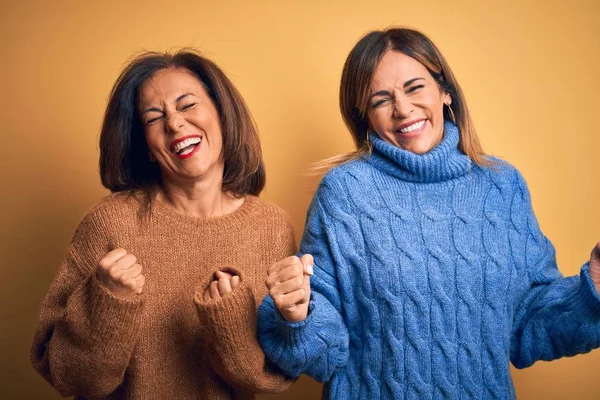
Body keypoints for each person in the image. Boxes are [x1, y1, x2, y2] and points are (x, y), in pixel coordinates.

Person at [257, 27, 600, 399]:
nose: (403, 109)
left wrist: (593, 290)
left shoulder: (502, 187)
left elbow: (528, 328)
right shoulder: (345, 194)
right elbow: (326, 353)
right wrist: (296, 315)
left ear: (445, 91)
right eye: (380, 99)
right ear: (366, 118)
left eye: (415, 87)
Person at [31, 50, 295, 399]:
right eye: (154, 117)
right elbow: (69, 378)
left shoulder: (271, 227)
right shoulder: (109, 224)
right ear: (147, 148)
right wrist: (107, 302)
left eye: (187, 105)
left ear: (222, 114)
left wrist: (230, 321)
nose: (174, 123)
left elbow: (271, 378)